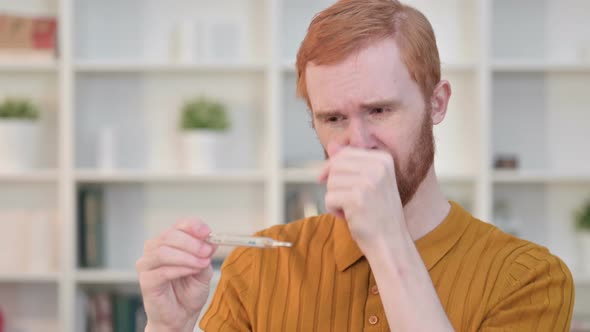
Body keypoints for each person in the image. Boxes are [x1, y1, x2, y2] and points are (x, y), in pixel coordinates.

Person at [136, 0, 575, 331]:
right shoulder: (256, 267)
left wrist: (387, 242)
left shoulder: (529, 278)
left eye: (379, 111)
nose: (357, 143)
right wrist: (168, 327)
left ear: (436, 103)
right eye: (334, 119)